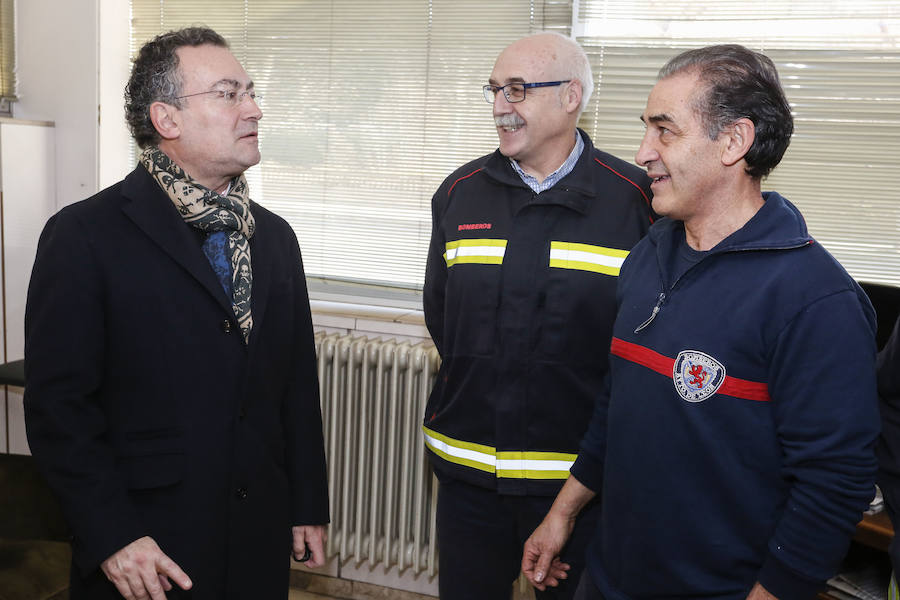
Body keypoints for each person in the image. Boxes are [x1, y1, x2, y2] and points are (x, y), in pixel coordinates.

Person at [523, 44, 880, 600]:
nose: (643, 151)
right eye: (645, 128)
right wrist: (562, 513)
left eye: (665, 131)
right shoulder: (647, 255)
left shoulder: (816, 300)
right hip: (609, 577)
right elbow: (617, 405)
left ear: (733, 142)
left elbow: (834, 485)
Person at [24, 27, 329, 600]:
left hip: (255, 532)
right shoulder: (84, 235)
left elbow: (294, 383)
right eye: (229, 93)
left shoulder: (275, 238)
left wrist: (306, 504)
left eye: (251, 91)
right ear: (166, 119)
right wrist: (112, 536)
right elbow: (59, 410)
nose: (254, 109)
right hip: (148, 544)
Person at [422, 32, 653, 599]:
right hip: (468, 479)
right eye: (495, 90)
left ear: (571, 96)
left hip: (581, 488)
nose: (501, 106)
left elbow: (643, 347)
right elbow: (442, 319)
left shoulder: (637, 200)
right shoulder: (459, 193)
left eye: (518, 90)